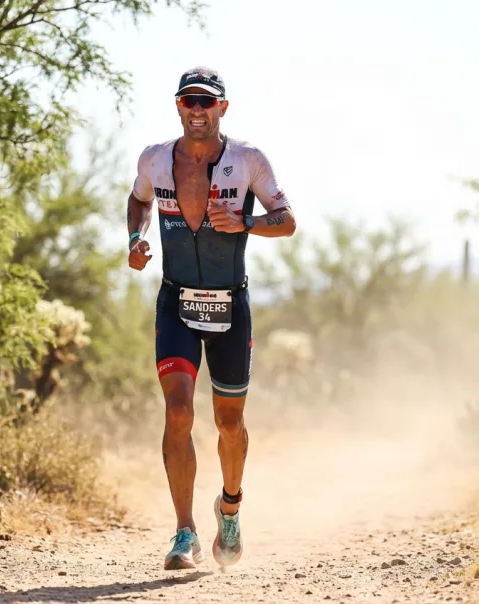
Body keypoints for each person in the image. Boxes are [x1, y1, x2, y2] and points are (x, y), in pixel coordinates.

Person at [126, 66, 296, 570]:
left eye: (206, 102)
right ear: (177, 106)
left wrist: (245, 221)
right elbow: (137, 202)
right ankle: (184, 532)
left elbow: (287, 221)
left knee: (229, 422)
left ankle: (230, 508)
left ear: (223, 108)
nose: (197, 110)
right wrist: (135, 240)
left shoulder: (247, 160)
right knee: (178, 411)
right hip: (176, 300)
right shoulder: (155, 159)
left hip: (230, 305)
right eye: (188, 101)